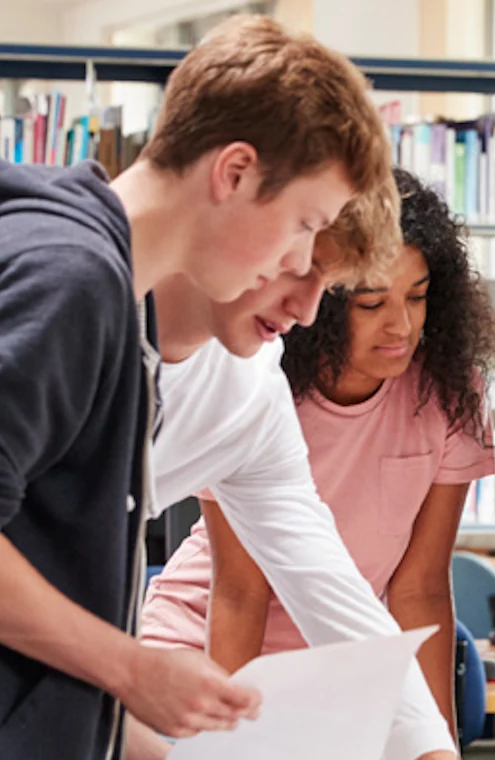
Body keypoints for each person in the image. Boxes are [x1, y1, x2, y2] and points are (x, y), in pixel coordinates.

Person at [0, 14, 395, 758]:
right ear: (234, 172)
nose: (297, 262)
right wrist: (131, 668)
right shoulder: (71, 279)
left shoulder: (117, 309)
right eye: (303, 225)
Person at [139, 168, 495, 747]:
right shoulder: (256, 386)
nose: (401, 325)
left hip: (332, 664)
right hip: (198, 651)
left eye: (417, 297)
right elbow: (239, 593)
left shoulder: (450, 393)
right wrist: (231, 748)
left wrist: (440, 745)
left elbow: (418, 590)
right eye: (371, 302)